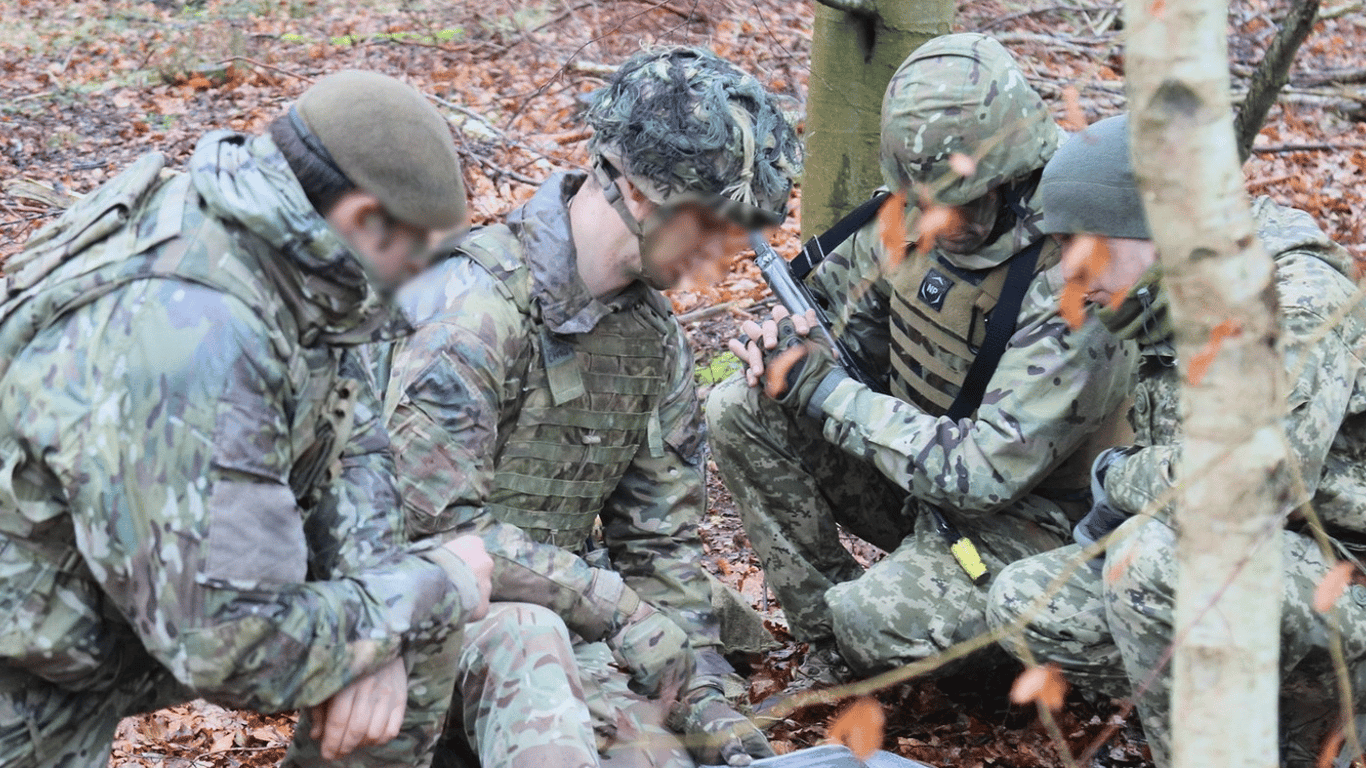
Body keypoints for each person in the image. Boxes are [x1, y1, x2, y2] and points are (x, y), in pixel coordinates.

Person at [0, 70, 494, 768]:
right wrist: (418, 595)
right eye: (415, 253)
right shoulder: (191, 331)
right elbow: (229, 646)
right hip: (26, 686)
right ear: (359, 219)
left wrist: (381, 628)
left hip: (88, 632)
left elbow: (355, 445)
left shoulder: (292, 258)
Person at [378, 47, 802, 768]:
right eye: (712, 226)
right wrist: (616, 608)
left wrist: (700, 692)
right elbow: (435, 534)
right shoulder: (474, 312)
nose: (724, 254)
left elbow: (658, 542)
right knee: (535, 666)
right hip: (418, 619)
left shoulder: (653, 338)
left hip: (562, 618)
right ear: (638, 195)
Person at [705, 32, 1136, 690]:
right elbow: (829, 310)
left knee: (871, 618)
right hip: (914, 469)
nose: (924, 224)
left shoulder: (1078, 276)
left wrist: (825, 392)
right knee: (740, 406)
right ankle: (834, 650)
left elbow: (982, 476)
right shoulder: (910, 211)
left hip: (1032, 526)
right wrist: (789, 348)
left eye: (946, 208)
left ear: (1009, 184)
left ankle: (908, 643)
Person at [986, 113, 1366, 768]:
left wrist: (1121, 477)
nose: (1073, 270)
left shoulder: (1293, 296)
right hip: (1261, 573)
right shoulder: (1157, 289)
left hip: (1345, 579)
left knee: (1151, 559)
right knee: (1026, 601)